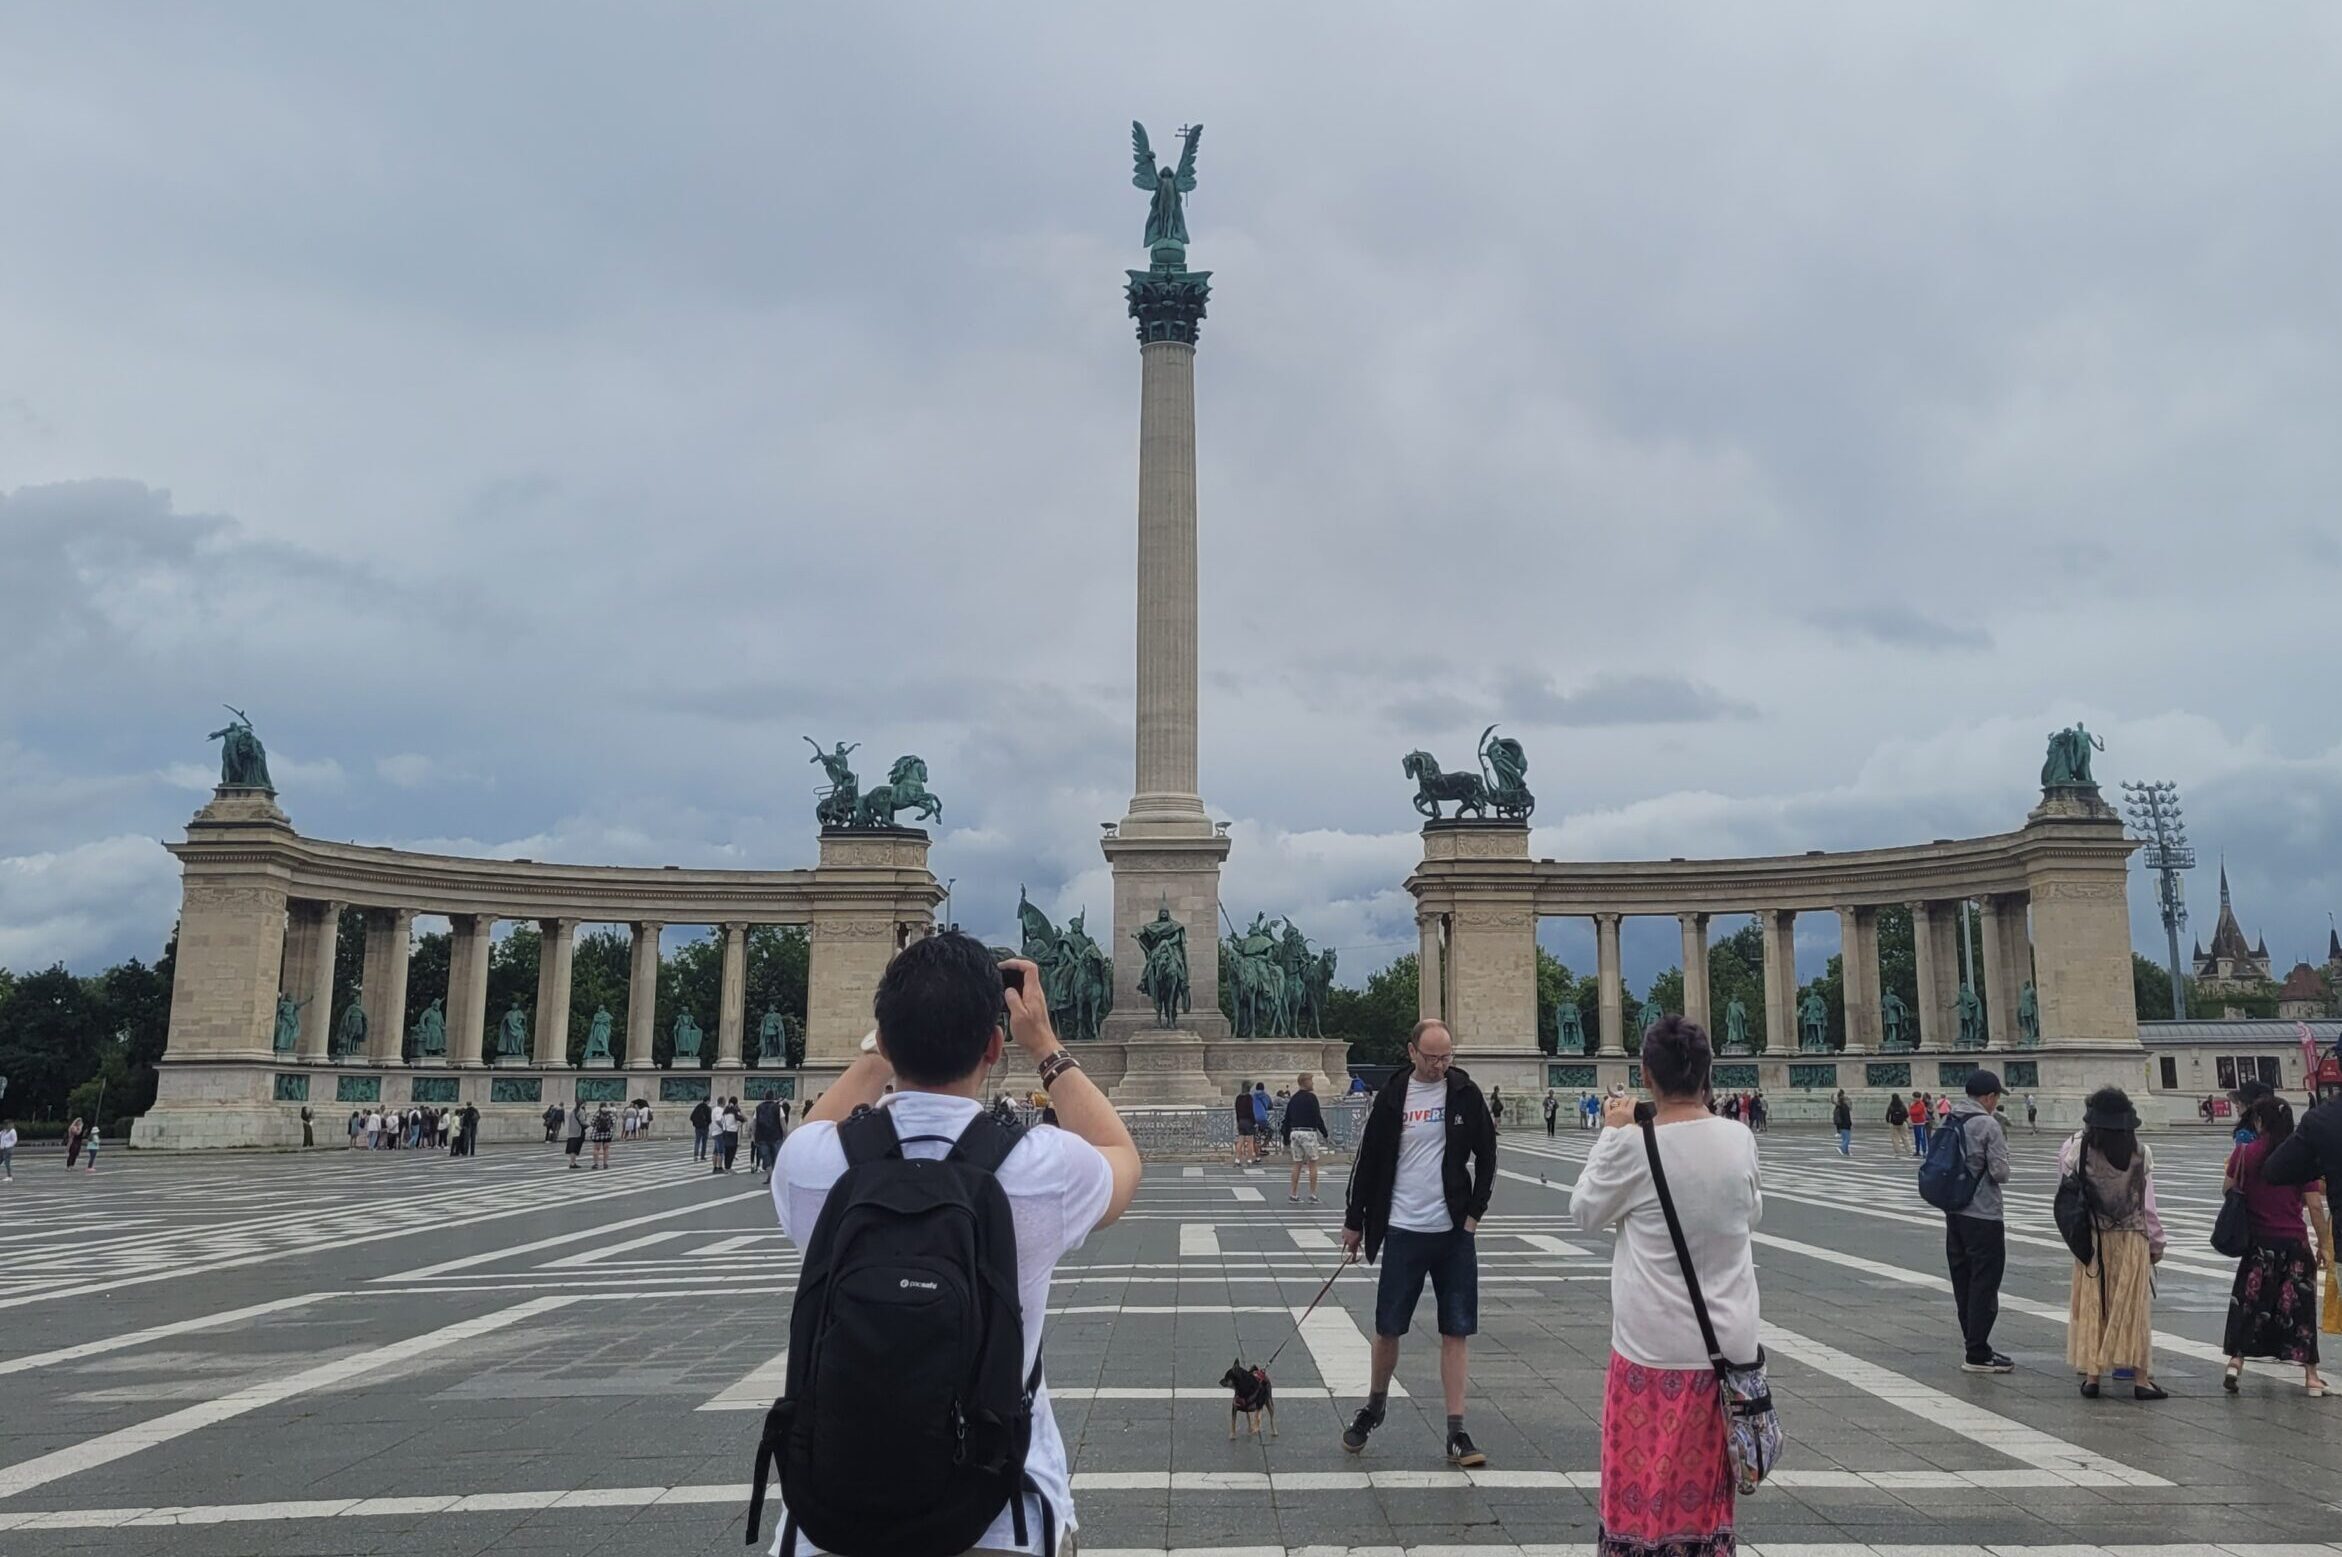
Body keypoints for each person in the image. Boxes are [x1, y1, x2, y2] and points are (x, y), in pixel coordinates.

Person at [765, 935, 1140, 1556]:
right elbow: (1122, 1156)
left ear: (885, 1041)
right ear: (995, 1045)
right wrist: (1045, 1046)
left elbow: (820, 1123)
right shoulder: (1040, 1167)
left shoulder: (811, 1164)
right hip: (997, 1515)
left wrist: (877, 1051)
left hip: (831, 1522)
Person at [1572, 1015, 1761, 1557]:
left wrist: (1612, 1133)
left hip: (1651, 1350)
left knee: (1640, 1492)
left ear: (1646, 1076)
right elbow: (1753, 1214)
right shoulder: (1739, 1139)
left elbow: (1585, 1211)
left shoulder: (1633, 1146)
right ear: (1707, 1074)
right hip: (1729, 1351)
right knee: (1704, 1500)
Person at [1340, 1019, 1498, 1468]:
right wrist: (1355, 1222)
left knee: (1456, 1328)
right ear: (1412, 1052)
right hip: (1403, 1228)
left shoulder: (1465, 1093)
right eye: (1431, 1057)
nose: (1439, 1065)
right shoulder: (1392, 1097)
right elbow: (1368, 1161)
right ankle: (1374, 1406)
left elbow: (1488, 1154)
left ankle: (1456, 1429)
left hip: (1451, 1232)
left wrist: (1474, 1214)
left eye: (1446, 1056)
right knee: (1388, 1327)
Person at [2061, 1086, 2168, 1399]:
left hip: (2095, 1239)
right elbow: (2147, 1206)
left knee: (2095, 1304)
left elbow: (2069, 1193)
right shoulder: (2141, 1153)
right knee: (2133, 1309)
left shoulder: (2078, 1151)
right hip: (2132, 1239)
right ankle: (2140, 1379)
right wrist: (2157, 1244)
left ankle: (2093, 1377)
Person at [2221, 1095, 2327, 1396]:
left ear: (2259, 1122)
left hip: (2258, 1243)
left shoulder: (2244, 1153)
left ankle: (2236, 1362)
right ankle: (2311, 1377)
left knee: (2249, 1303)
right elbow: (2314, 1205)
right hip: (2294, 1243)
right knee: (2300, 1310)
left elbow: (2227, 1190)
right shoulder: (2298, 1157)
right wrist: (2324, 1243)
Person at [1943, 1070, 2014, 1373]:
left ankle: (1974, 1344)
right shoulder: (1988, 1124)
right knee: (1985, 1280)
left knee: (1963, 1279)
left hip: (1955, 1211)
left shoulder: (1951, 1119)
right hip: (1983, 1213)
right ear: (1988, 1097)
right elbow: (1999, 1172)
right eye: (1996, 1097)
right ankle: (1977, 1352)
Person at [1282, 1072, 1328, 1204]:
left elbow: (1287, 1119)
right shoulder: (1311, 1098)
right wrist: (1324, 1132)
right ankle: (1313, 1194)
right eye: (1311, 1081)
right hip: (1308, 1133)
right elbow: (1317, 1118)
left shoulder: (1293, 1099)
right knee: (1312, 1163)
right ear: (1305, 1082)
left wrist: (1285, 1138)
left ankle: (1293, 1194)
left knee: (1297, 1164)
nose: (1313, 1083)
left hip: (1295, 1133)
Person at [752, 1094, 787, 1182]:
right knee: (776, 1156)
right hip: (776, 1136)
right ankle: (774, 1176)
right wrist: (786, 1135)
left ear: (764, 1098)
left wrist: (753, 1136)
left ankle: (770, 1175)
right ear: (773, 1098)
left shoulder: (758, 1108)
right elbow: (783, 1123)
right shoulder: (778, 1108)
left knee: (766, 1156)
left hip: (762, 1136)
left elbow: (754, 1123)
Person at [1233, 1086, 1256, 1164]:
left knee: (1240, 1141)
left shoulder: (1238, 1098)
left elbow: (1236, 1111)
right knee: (1250, 1142)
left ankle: (1237, 1159)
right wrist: (1254, 1121)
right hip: (1248, 1121)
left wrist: (1238, 1121)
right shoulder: (1249, 1098)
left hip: (1241, 1121)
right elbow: (1251, 1110)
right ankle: (1249, 1159)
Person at [564, 1096, 588, 1169]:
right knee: (575, 1149)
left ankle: (572, 1162)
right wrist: (590, 1125)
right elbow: (582, 1122)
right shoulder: (581, 1111)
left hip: (571, 1132)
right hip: (578, 1132)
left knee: (572, 1149)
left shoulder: (573, 1111)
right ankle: (573, 1163)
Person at [590, 1103, 614, 1169]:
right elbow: (613, 1122)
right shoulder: (610, 1113)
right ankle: (605, 1164)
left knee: (596, 1149)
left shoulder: (597, 1113)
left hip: (598, 1133)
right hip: (607, 1134)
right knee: (606, 1149)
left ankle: (596, 1164)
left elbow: (592, 1123)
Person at [690, 1097, 714, 1162]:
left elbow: (691, 1117)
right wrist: (707, 1124)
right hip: (705, 1128)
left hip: (698, 1128)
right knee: (704, 1142)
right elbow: (710, 1119)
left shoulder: (698, 1107)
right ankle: (702, 1156)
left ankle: (695, 1156)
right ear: (707, 1101)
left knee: (697, 1141)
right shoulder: (708, 1108)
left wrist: (695, 1124)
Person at [1886, 1093, 1910, 1157]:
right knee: (1905, 1137)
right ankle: (1909, 1149)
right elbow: (1907, 1114)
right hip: (1902, 1123)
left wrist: (1888, 1121)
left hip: (1893, 1124)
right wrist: (1904, 1119)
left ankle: (1897, 1150)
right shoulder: (1902, 1105)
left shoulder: (1891, 1106)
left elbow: (1888, 1115)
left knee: (1895, 1138)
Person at [1832, 1089, 1853, 1156]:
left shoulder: (1840, 1106)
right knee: (1847, 1139)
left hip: (1842, 1125)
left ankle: (1846, 1151)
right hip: (1845, 1125)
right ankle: (1841, 1148)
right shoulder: (1844, 1107)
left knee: (1845, 1139)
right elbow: (1846, 1117)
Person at [1909, 1092, 1930, 1159]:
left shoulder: (1921, 1104)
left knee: (1922, 1137)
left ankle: (1924, 1151)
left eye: (1915, 1097)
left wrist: (1911, 1108)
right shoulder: (1914, 1104)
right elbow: (1910, 1112)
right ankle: (1917, 1151)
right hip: (1915, 1122)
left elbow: (1916, 1112)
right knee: (1917, 1138)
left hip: (1920, 1123)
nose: (1914, 1099)